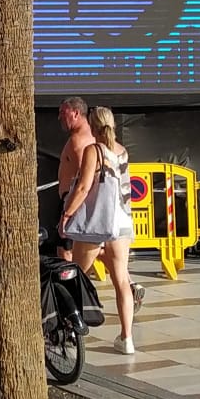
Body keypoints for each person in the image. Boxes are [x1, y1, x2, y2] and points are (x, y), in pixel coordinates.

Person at [59, 106, 142, 355]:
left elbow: (83, 187)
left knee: (77, 275)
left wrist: (67, 214)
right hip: (122, 222)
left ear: (92, 125)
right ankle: (127, 338)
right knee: (121, 281)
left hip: (97, 223)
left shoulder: (93, 150)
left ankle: (71, 326)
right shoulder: (122, 151)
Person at [53, 96, 95, 262]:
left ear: (76, 113)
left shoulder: (79, 142)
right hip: (74, 199)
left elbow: (83, 179)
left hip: (73, 200)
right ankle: (128, 281)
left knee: (66, 250)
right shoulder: (85, 137)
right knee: (96, 249)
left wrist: (68, 212)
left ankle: (69, 286)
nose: (59, 117)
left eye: (63, 112)